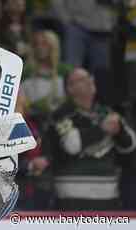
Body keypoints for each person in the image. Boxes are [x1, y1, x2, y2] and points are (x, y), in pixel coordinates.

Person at [49, 68, 136, 210]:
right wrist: (102, 129)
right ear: (70, 89)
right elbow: (72, 145)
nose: (89, 81)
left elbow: (131, 145)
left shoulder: (106, 112)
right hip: (72, 199)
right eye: (82, 80)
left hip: (108, 198)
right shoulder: (61, 115)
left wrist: (119, 131)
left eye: (90, 77)